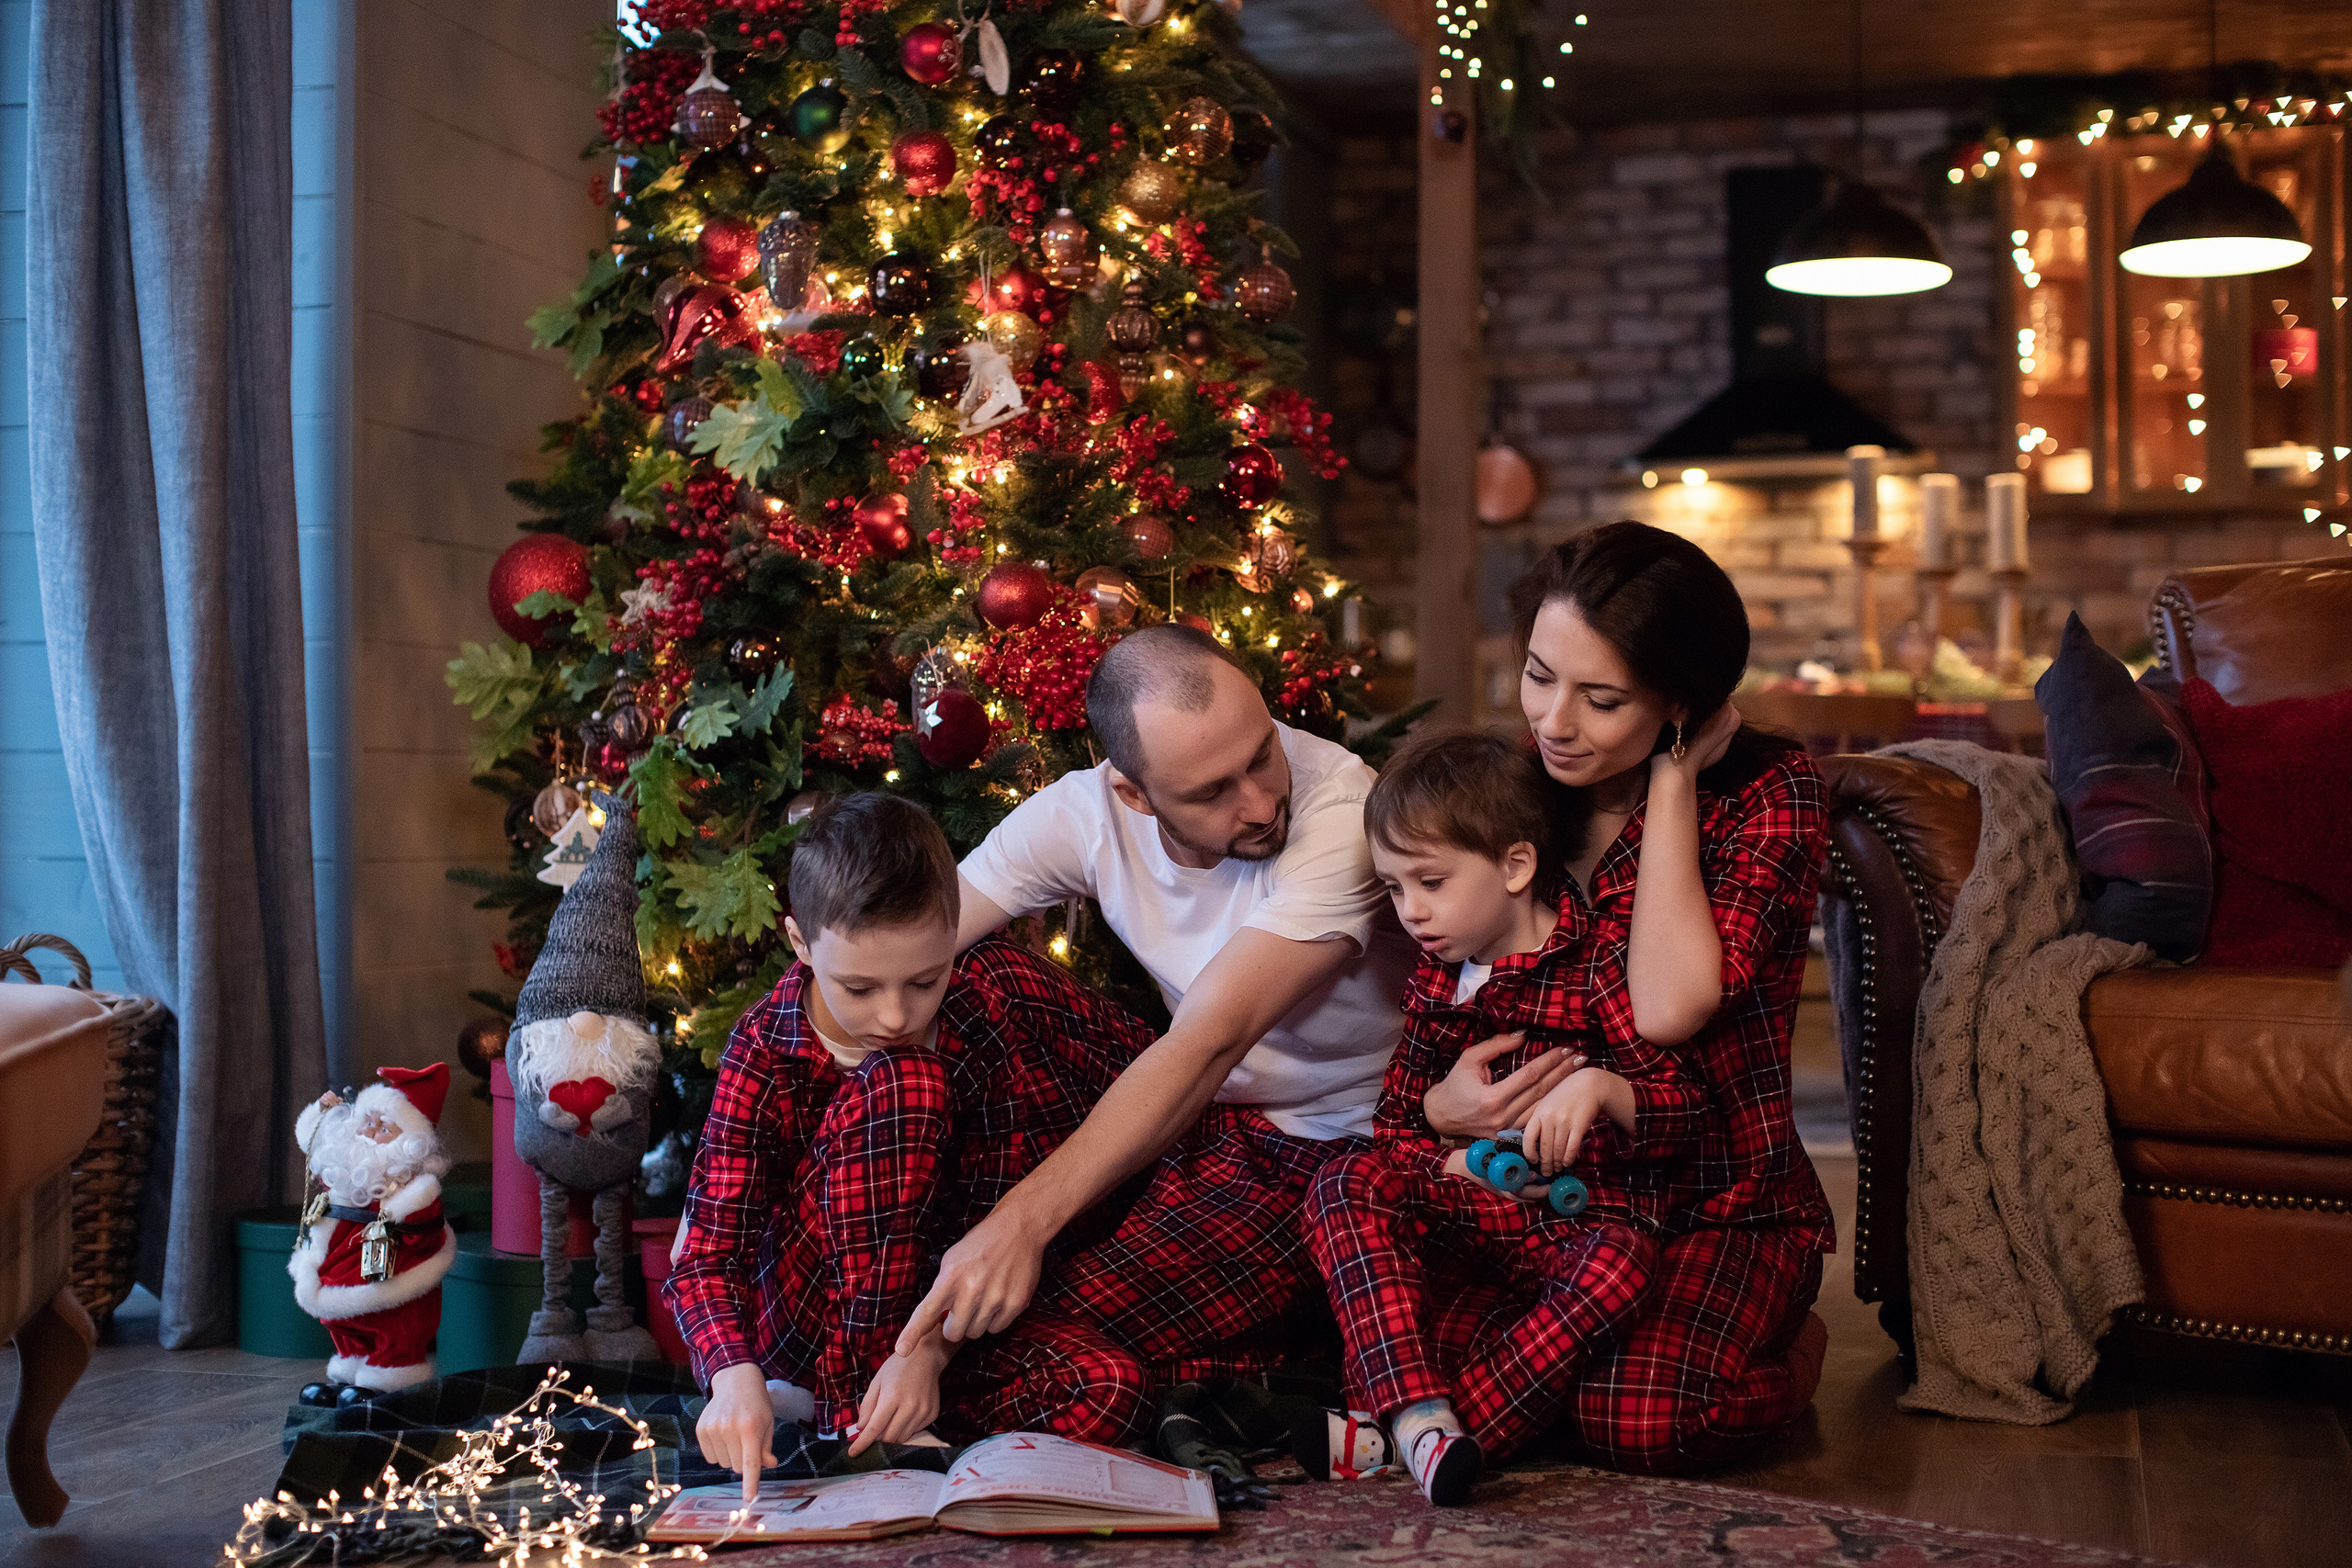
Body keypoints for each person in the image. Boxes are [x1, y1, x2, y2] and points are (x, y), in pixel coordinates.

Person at [899, 626, 1580, 1389]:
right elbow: (914, 942)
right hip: (1200, 1111)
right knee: (971, 977)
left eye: (1261, 753)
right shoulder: (1086, 814)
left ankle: (1272, 1355)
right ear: (1132, 793)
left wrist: (1023, 1224)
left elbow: (1211, 1040)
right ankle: (905, 1280)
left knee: (1060, 1337)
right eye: (1211, 791)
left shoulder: (1342, 812)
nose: (1259, 803)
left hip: (1331, 1153)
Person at [1416, 521, 1835, 1475]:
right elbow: (1447, 987)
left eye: (1601, 700)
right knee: (1420, 1360)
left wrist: (1673, 779)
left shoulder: (1773, 796)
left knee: (1640, 1420)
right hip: (1555, 1201)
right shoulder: (1515, 792)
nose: (1553, 722)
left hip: (1716, 1206)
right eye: (1538, 676)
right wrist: (1442, 1107)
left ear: (1680, 699)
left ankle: (1795, 1346)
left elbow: (1668, 1009)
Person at [666, 793, 1159, 1501]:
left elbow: (991, 1221)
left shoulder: (980, 1014)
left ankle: (901, 1416)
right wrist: (732, 1374)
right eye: (859, 987)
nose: (895, 1014)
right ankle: (849, 1412)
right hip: (809, 1320)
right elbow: (706, 1252)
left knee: (1112, 1385)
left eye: (925, 980)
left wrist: (928, 1354)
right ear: (801, 943)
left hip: (937, 1309)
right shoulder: (764, 1050)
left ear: (953, 932)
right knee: (905, 1081)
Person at [1306, 730, 1703, 1504]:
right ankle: (1423, 1419)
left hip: (1576, 1240)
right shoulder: (1435, 983)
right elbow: (1394, 1131)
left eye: (1431, 881)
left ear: (1517, 866)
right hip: (1473, 1228)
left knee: (1623, 1263)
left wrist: (1602, 1088)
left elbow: (1684, 1111)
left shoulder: (1599, 966)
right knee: (1343, 1179)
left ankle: (1398, 1438)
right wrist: (1448, 1158)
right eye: (1393, 888)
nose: (1412, 911)